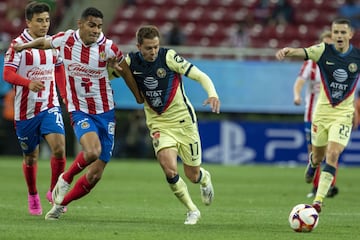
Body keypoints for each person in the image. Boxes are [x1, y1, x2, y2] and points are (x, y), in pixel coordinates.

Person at [13, 7, 143, 220]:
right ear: (80, 23)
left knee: (94, 174)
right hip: (79, 110)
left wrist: (138, 97)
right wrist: (23, 46)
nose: (96, 30)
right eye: (92, 25)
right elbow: (44, 42)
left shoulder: (108, 47)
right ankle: (65, 179)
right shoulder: (65, 40)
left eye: (99, 26)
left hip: (106, 111)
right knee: (91, 151)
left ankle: (61, 204)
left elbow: (125, 71)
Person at [114, 25, 220, 225]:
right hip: (159, 124)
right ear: (139, 47)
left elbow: (200, 75)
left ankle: (205, 178)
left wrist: (212, 93)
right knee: (169, 168)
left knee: (192, 174)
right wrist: (107, 65)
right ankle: (192, 210)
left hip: (184, 122)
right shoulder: (130, 62)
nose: (153, 52)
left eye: (155, 47)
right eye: (148, 48)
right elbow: (108, 75)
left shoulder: (169, 57)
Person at [276, 18, 360, 213]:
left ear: (350, 34)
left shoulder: (357, 56)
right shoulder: (323, 51)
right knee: (318, 155)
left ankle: (318, 200)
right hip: (321, 113)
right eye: (335, 32)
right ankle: (313, 163)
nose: (339, 36)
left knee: (333, 154)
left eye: (342, 32)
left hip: (343, 114)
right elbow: (303, 52)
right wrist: (289, 51)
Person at [2, 2, 67, 216]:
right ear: (28, 22)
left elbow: (58, 68)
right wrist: (28, 83)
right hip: (25, 111)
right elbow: (8, 75)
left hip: (50, 105)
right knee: (31, 157)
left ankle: (53, 192)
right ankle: (32, 194)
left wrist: (63, 93)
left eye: (47, 20)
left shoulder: (52, 44)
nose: (44, 24)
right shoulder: (18, 45)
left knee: (59, 149)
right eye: (40, 20)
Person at [293, 30, 339, 198]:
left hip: (333, 113)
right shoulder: (311, 64)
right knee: (314, 152)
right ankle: (316, 185)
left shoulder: (341, 64)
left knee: (332, 150)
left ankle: (329, 186)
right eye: (325, 45)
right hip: (312, 114)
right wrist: (297, 96)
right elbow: (299, 82)